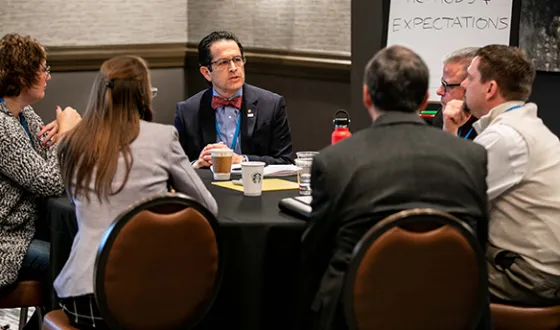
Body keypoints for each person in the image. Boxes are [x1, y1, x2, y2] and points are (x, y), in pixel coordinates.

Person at [300, 45, 490, 330]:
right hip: (452, 309)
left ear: (366, 95)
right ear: (425, 99)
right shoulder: (473, 157)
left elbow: (315, 251)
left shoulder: (335, 160)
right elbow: (479, 240)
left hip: (356, 312)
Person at [54, 55, 218, 329]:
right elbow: (207, 208)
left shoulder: (71, 142)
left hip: (83, 296)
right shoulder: (163, 137)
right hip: (149, 294)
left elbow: (77, 201)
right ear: (144, 94)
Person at [443, 45, 560, 306]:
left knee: (419, 276)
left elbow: (447, 199)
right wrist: (451, 131)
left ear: (490, 88)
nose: (463, 83)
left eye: (470, 77)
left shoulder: (505, 137)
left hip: (530, 278)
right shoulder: (523, 125)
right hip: (531, 266)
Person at [174, 31, 293, 168]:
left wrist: (242, 160)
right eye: (223, 62)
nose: (233, 68)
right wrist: (197, 165)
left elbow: (286, 161)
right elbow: (176, 166)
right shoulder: (188, 111)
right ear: (206, 73)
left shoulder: (271, 105)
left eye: (237, 59)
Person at [431, 47, 479, 140]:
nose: (439, 91)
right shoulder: (443, 116)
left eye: (447, 85)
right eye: (442, 83)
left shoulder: (494, 128)